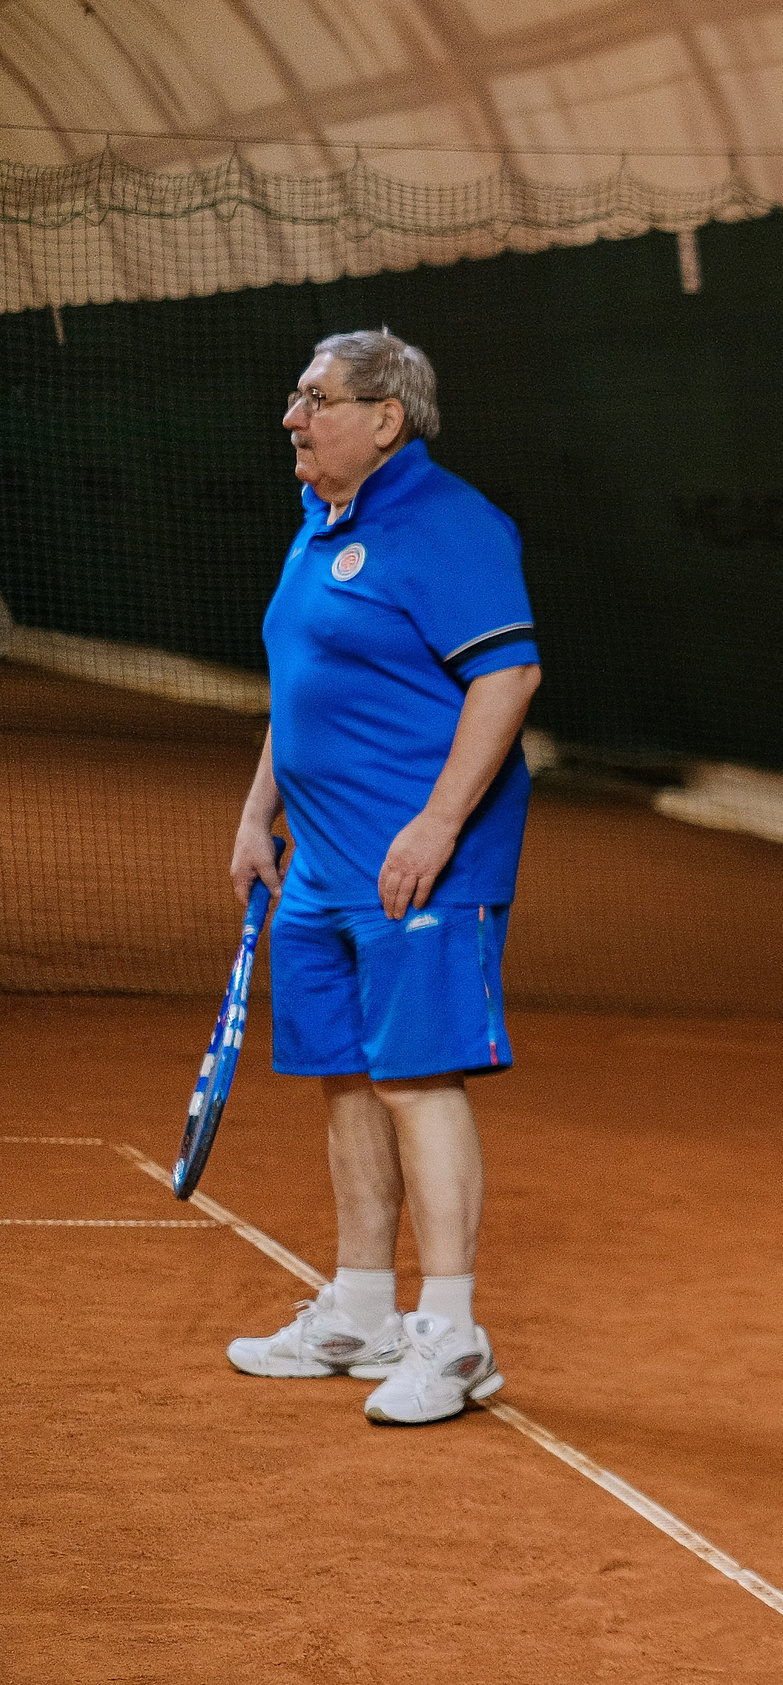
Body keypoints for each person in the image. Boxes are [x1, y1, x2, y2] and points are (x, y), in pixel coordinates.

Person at [222, 328, 541, 1427]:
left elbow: (508, 676)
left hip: (419, 864)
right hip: (321, 863)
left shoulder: (449, 523)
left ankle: (451, 1336)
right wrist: (261, 809)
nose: (292, 418)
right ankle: (362, 1309)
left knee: (416, 1079)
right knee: (348, 1077)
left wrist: (437, 826)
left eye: (313, 398)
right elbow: (301, 678)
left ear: (384, 417)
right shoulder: (323, 522)